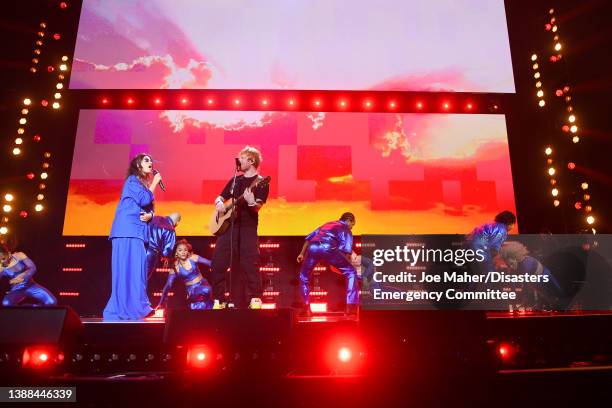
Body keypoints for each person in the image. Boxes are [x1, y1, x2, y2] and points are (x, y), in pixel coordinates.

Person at [103, 153, 162, 320]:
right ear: (138, 165)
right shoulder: (132, 181)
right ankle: (126, 307)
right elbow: (144, 200)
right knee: (126, 270)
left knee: (137, 270)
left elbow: (148, 207)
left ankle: (137, 306)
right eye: (146, 160)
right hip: (126, 230)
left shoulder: (142, 185)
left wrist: (151, 216)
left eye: (151, 159)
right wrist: (155, 183)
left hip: (136, 231)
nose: (150, 162)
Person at [210, 146, 269, 309]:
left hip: (248, 229)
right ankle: (219, 299)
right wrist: (220, 204)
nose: (238, 161)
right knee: (218, 263)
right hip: (229, 228)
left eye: (241, 158)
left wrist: (250, 201)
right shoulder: (236, 180)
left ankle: (255, 298)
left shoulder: (261, 182)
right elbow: (220, 197)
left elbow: (257, 206)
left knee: (250, 263)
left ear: (251, 161)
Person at [297, 212, 359, 315]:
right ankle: (351, 307)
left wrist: (301, 254)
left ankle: (306, 308)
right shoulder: (346, 229)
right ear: (349, 221)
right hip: (328, 248)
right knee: (351, 272)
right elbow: (346, 252)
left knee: (304, 276)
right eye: (353, 225)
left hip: (312, 247)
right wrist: (343, 266)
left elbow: (308, 239)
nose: (352, 228)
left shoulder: (327, 224)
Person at [157, 239, 213, 310]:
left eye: (185, 250)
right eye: (180, 250)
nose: (183, 252)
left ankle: (199, 308)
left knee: (207, 302)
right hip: (192, 290)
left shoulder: (193, 258)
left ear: (187, 252)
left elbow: (211, 263)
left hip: (203, 284)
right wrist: (161, 303)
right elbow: (168, 286)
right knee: (205, 292)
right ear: (176, 253)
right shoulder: (175, 268)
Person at [146, 212, 181, 280]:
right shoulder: (170, 229)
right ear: (177, 222)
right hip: (150, 254)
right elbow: (167, 251)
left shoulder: (154, 218)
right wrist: (167, 258)